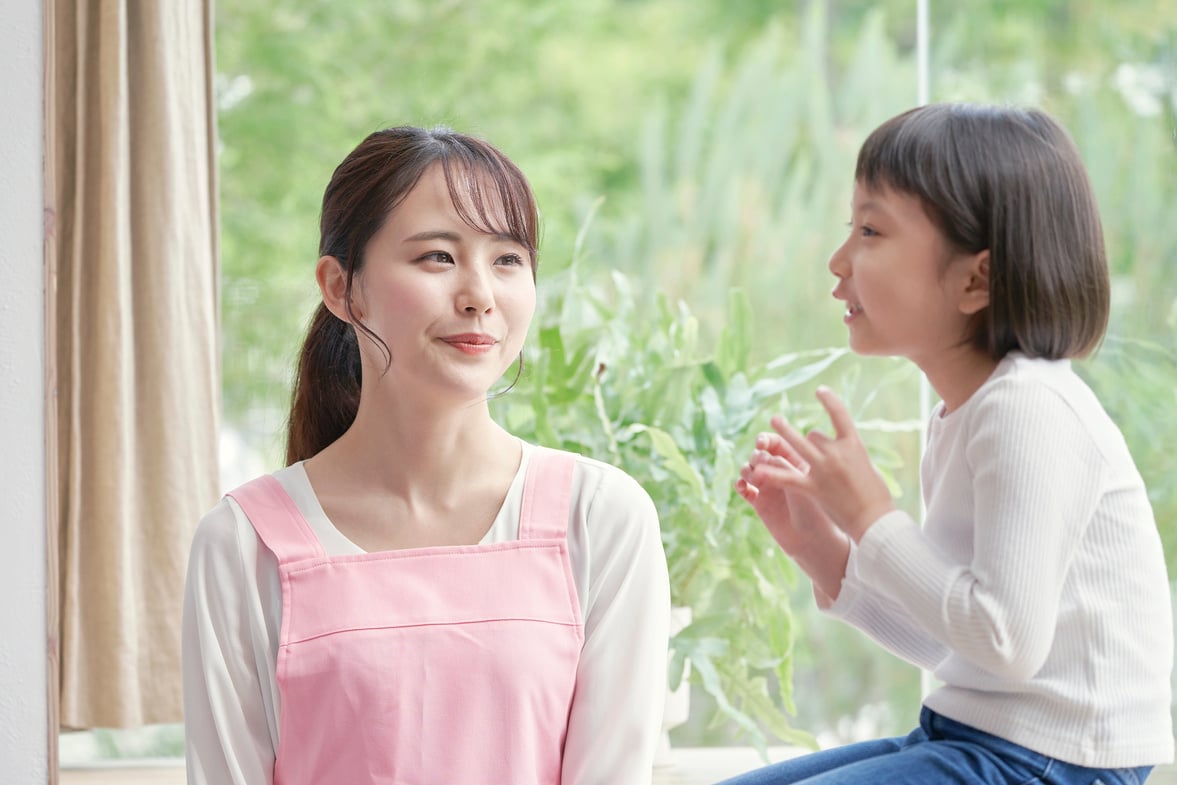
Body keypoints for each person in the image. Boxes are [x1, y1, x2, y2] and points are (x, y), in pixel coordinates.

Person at [182, 126, 671, 785]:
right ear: (341, 288)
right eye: (437, 257)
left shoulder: (601, 516)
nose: (480, 295)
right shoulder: (243, 545)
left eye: (506, 260)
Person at [721, 103, 1174, 785]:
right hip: (978, 737)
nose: (837, 260)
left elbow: (1004, 641)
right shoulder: (965, 412)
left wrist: (871, 513)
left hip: (1057, 760)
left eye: (870, 230)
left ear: (975, 280)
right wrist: (824, 551)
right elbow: (951, 643)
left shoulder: (1028, 411)